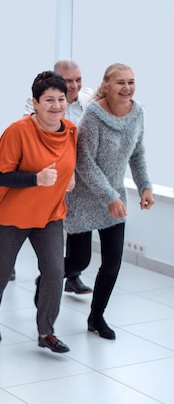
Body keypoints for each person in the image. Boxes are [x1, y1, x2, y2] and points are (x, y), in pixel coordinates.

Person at [0, 71, 76, 353]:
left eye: (61, 99)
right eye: (49, 100)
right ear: (35, 102)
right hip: (12, 215)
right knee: (2, 270)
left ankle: (46, 332)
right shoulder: (18, 131)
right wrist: (36, 179)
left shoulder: (70, 130)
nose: (56, 105)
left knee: (55, 272)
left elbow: (67, 163)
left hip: (50, 214)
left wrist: (70, 177)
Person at [65, 63, 154, 340]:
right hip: (84, 197)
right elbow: (84, 162)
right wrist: (109, 197)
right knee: (80, 259)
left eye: (131, 82)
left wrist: (145, 187)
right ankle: (48, 277)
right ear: (106, 84)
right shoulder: (92, 115)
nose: (127, 88)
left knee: (112, 263)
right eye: (120, 83)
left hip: (114, 196)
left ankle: (96, 316)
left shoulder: (137, 113)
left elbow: (137, 153)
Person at [22, 59, 95, 287]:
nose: (74, 86)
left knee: (79, 240)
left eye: (78, 80)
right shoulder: (38, 104)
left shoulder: (89, 99)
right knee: (46, 231)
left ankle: (69, 275)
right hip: (52, 177)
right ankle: (50, 274)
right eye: (67, 80)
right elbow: (35, 139)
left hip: (81, 180)